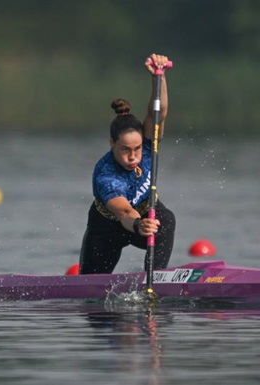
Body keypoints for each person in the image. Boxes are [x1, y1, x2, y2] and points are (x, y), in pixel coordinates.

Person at [79, 53, 175, 275]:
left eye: (137, 149)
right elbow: (123, 211)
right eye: (125, 150)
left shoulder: (149, 146)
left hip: (145, 215)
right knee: (92, 294)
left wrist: (158, 77)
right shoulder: (105, 174)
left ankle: (155, 278)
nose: (133, 157)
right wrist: (139, 225)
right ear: (112, 143)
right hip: (107, 228)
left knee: (166, 219)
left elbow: (157, 115)